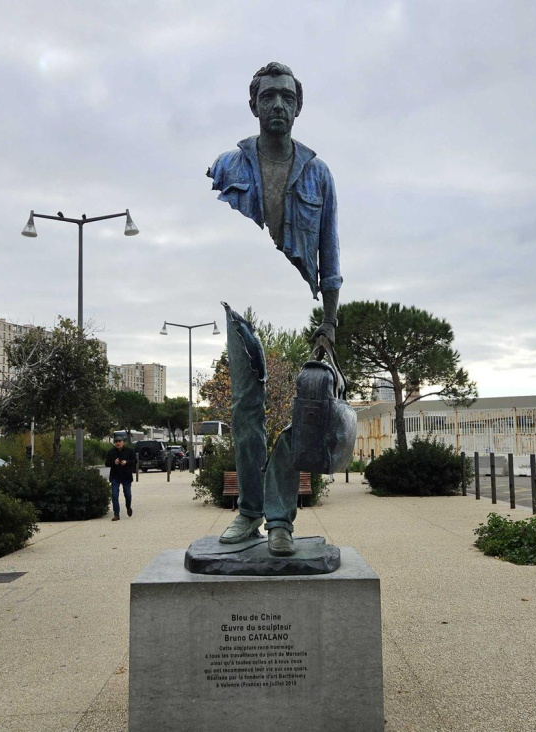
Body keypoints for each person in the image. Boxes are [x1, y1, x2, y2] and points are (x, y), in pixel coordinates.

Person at [207, 62, 341, 556]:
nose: (278, 105)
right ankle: (248, 511)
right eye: (269, 97)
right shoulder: (228, 166)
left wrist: (329, 321)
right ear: (253, 105)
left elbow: (330, 253)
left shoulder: (318, 173)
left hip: (297, 301)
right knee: (245, 412)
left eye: (287, 97)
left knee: (298, 415)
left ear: (299, 106)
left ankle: (280, 519)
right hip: (242, 302)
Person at [105, 437, 136, 521]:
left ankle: (128, 506)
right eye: (116, 442)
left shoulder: (129, 451)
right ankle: (116, 514)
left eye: (119, 441)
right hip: (115, 476)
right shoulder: (111, 452)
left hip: (126, 476)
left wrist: (126, 462)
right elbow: (107, 463)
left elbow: (134, 461)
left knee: (128, 494)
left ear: (123, 442)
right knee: (114, 495)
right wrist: (114, 462)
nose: (118, 443)